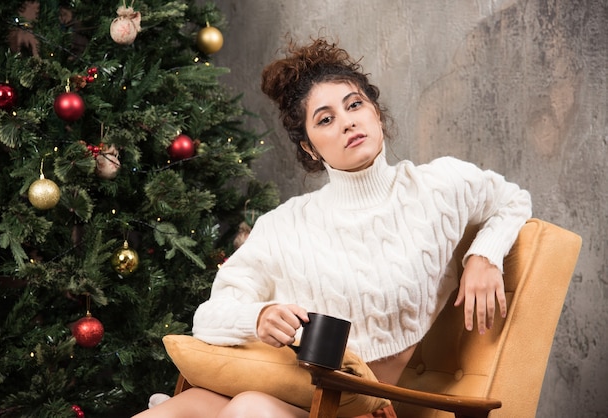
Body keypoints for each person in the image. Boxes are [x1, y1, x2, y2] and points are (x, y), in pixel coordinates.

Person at [134, 37, 532, 418]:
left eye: (354, 105)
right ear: (309, 146)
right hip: (276, 390)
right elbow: (207, 318)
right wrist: (258, 317)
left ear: (375, 112)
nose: (347, 123)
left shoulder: (439, 187)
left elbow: (513, 200)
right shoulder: (283, 224)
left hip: (353, 407)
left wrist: (484, 255)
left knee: (248, 410)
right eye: (325, 119)